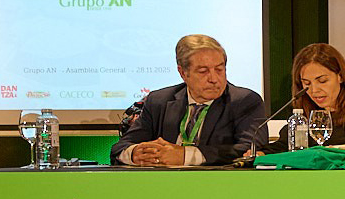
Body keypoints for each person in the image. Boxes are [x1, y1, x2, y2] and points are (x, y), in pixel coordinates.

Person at [113, 34, 270, 167]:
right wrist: (135, 154)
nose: (214, 79)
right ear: (182, 73)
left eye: (219, 69)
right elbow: (120, 148)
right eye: (203, 71)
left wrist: (185, 156)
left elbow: (252, 151)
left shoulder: (244, 101)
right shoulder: (159, 101)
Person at [272, 43, 345, 153]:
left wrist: (337, 153)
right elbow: (281, 146)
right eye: (307, 83)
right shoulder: (301, 113)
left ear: (340, 77)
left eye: (322, 81)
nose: (314, 90)